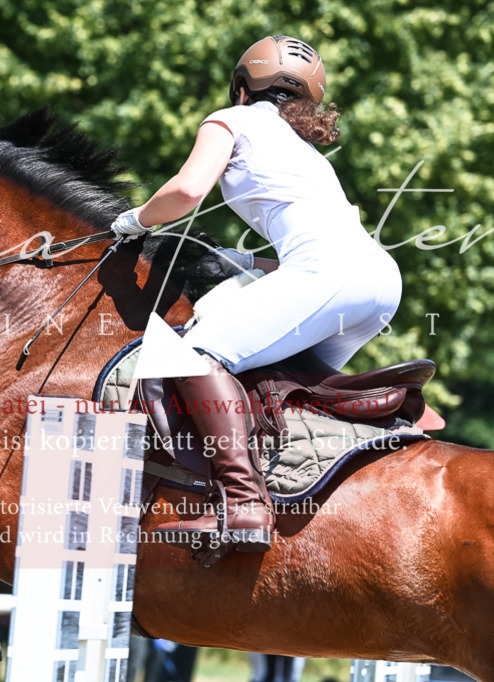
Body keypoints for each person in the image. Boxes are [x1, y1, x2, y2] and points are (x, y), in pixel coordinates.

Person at [111, 36, 401, 557]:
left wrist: (134, 219)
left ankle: (243, 502)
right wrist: (245, 262)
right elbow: (314, 254)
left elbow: (187, 191)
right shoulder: (309, 154)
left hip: (329, 275)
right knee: (280, 385)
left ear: (242, 89)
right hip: (379, 283)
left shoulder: (232, 119)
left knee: (192, 356)